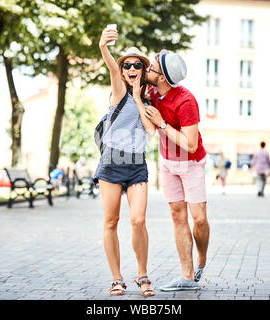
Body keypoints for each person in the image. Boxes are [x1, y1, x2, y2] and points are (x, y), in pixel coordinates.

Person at [93, 27, 156, 297]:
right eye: (127, 65)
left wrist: (140, 99)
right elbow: (110, 65)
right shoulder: (118, 89)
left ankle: (142, 273)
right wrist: (103, 47)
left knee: (138, 221)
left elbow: (152, 131)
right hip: (111, 164)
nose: (131, 68)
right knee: (110, 221)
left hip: (136, 165)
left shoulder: (149, 100)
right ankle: (117, 278)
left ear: (143, 70)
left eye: (137, 65)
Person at [140, 49, 210, 291]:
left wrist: (162, 123)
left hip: (191, 163)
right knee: (178, 217)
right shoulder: (150, 92)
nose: (147, 69)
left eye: (152, 68)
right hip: (168, 163)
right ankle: (187, 276)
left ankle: (201, 259)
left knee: (199, 219)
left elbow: (190, 144)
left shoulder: (186, 101)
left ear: (162, 77)